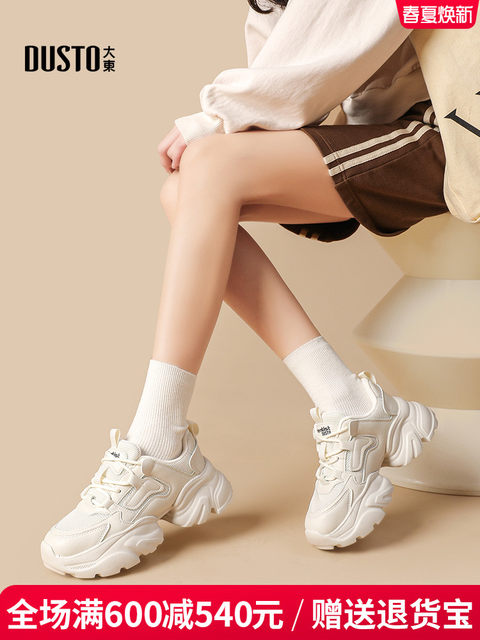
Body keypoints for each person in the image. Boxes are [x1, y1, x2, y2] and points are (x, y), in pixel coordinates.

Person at [41, 0, 445, 578]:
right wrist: (235, 113)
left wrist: (216, 117)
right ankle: (348, 406)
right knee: (185, 192)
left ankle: (157, 445)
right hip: (374, 128)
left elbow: (319, 61)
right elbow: (282, 70)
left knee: (207, 166)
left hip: (450, 126)